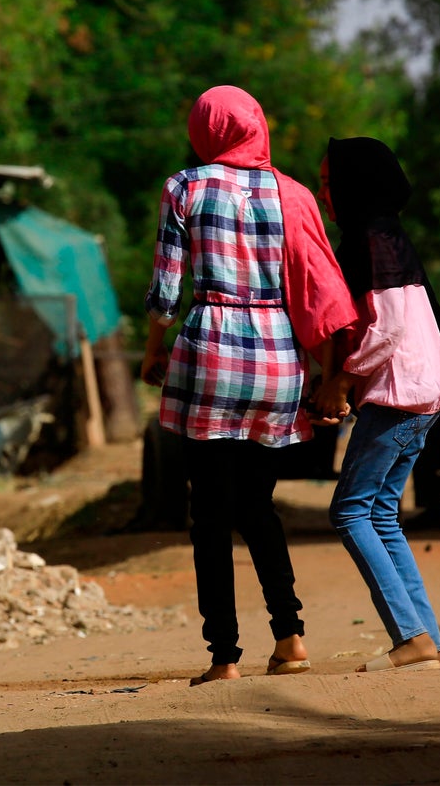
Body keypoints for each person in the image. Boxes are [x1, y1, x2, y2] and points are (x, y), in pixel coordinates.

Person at [141, 86, 357, 686]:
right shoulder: (292, 193)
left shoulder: (183, 187)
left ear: (204, 129)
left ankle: (224, 656)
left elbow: (166, 289)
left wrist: (155, 348)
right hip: (276, 360)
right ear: (257, 125)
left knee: (208, 512)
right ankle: (290, 637)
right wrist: (326, 368)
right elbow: (321, 286)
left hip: (208, 351)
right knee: (256, 506)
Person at [312, 136, 440, 672]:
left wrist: (343, 382)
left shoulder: (371, 241)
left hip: (398, 394)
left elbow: (390, 325)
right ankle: (428, 643)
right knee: (381, 515)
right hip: (424, 391)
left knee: (349, 511)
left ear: (354, 186)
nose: (324, 194)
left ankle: (412, 639)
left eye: (329, 183)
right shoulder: (388, 236)